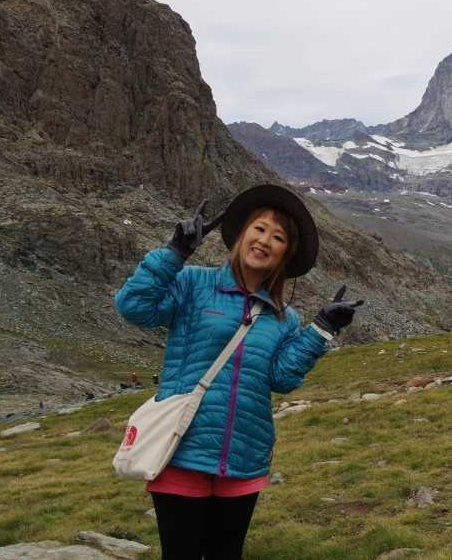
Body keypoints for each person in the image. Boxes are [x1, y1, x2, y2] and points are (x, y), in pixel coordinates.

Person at [114, 185, 362, 560]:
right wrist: (174, 253)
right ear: (242, 234)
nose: (264, 241)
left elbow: (282, 378)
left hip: (245, 456)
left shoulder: (284, 318)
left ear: (285, 254)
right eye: (259, 229)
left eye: (277, 237)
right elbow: (133, 306)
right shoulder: (193, 283)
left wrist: (321, 329)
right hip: (183, 448)